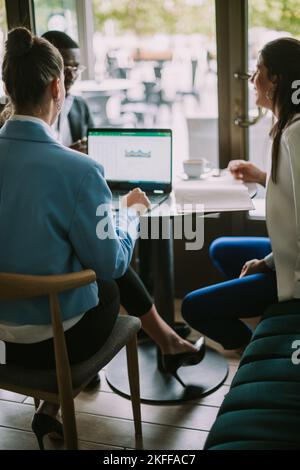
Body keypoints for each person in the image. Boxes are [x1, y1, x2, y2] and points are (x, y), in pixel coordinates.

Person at [0, 28, 204, 448]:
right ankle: (167, 342)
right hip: (55, 343)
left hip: (2, 345)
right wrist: (129, 213)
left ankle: (51, 407)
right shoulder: (79, 169)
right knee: (107, 283)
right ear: (57, 86)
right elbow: (110, 262)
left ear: (8, 88)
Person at [182, 37, 300, 353]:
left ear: (276, 79)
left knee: (194, 307)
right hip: (288, 257)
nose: (251, 79)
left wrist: (267, 262)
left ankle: (257, 352)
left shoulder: (296, 134)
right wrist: (261, 177)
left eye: (258, 70)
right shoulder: (287, 127)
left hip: (296, 275)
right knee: (222, 247)